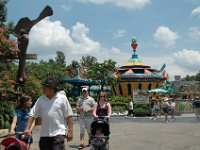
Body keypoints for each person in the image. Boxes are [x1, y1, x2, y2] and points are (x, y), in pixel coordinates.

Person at [24, 78, 74, 150]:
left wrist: (70, 131)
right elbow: (32, 114)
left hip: (59, 132)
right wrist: (27, 129)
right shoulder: (41, 99)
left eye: (45, 87)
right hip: (44, 134)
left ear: (52, 88)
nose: (43, 89)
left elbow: (69, 116)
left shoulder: (62, 98)